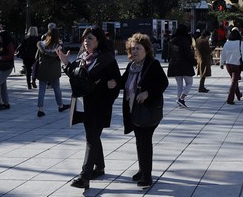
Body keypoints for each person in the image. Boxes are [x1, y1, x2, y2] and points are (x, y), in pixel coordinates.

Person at [57, 26, 121, 190]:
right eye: (85, 38)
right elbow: (76, 76)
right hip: (84, 104)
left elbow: (117, 82)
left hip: (100, 105)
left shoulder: (107, 59)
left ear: (99, 41)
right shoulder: (82, 57)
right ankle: (99, 167)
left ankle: (85, 176)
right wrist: (65, 63)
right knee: (92, 136)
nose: (86, 41)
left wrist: (109, 87)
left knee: (91, 139)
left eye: (91, 38)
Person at [117, 33, 168, 189]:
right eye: (133, 49)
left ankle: (147, 176)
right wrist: (113, 82)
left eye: (138, 48)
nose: (135, 52)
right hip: (134, 110)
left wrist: (148, 93)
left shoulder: (152, 65)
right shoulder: (131, 66)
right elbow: (123, 83)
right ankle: (142, 170)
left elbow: (163, 83)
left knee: (145, 142)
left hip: (148, 110)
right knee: (139, 142)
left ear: (146, 50)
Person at [35, 28, 70, 117]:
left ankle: (40, 109)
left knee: (41, 89)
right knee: (56, 88)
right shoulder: (58, 46)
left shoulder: (41, 44)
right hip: (54, 70)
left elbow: (36, 57)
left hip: (43, 69)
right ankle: (60, 105)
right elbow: (62, 57)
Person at [220, 27, 243, 105]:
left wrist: (221, 63)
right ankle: (230, 99)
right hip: (236, 64)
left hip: (228, 65)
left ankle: (238, 95)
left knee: (234, 81)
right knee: (234, 82)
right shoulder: (239, 42)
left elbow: (223, 54)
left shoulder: (227, 43)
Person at [167, 24, 196, 108]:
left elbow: (169, 54)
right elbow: (188, 54)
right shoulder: (185, 40)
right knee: (189, 83)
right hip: (185, 64)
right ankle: (181, 98)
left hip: (174, 64)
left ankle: (180, 101)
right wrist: (194, 62)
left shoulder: (171, 41)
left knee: (179, 84)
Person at [0, 30, 16, 111]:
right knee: (2, 85)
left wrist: (1, 57)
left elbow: (11, 55)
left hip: (7, 66)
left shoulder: (9, 44)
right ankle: (6, 103)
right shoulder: (0, 43)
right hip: (0, 65)